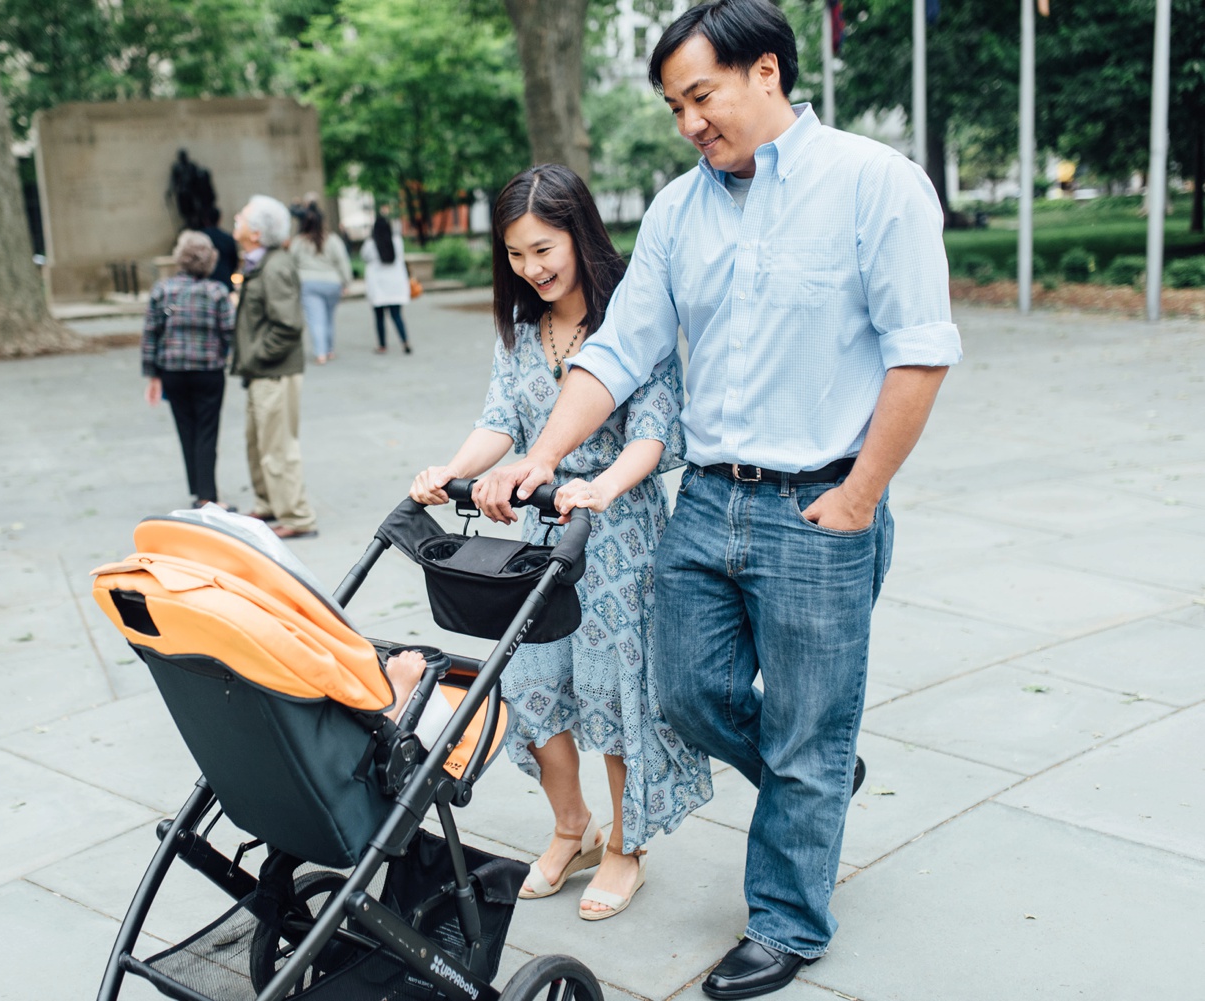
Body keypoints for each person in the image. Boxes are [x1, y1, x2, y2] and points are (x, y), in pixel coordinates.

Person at [476, 2, 963, 996]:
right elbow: (618, 349)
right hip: (705, 502)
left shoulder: (875, 185)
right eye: (674, 106)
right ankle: (814, 779)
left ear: (769, 73)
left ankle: (788, 917)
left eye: (701, 95)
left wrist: (864, 494)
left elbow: (921, 350)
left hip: (823, 503)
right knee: (687, 693)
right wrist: (542, 454)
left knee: (807, 728)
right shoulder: (677, 209)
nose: (690, 121)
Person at [409, 164, 713, 922]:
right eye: (515, 254)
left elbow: (654, 431)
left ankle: (624, 845)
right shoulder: (520, 328)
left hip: (618, 531)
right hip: (542, 532)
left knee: (614, 693)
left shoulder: (632, 317)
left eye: (543, 248)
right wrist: (453, 468)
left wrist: (603, 485)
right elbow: (500, 420)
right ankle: (572, 825)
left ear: (579, 232)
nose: (532, 268)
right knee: (536, 686)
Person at [231, 195, 319, 540]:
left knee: (278, 447)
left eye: (242, 216)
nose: (235, 218)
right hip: (263, 371)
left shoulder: (275, 265)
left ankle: (296, 517)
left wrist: (254, 356)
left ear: (255, 232)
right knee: (258, 444)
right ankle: (268, 503)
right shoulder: (260, 261)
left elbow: (287, 326)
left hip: (274, 371)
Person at [142, 231, 235, 509]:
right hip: (208, 370)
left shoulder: (163, 290)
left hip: (173, 370)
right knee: (207, 430)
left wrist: (153, 375)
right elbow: (229, 332)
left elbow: (150, 334)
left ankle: (197, 487)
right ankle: (207, 495)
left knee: (186, 428)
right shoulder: (217, 292)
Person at [289, 206, 353, 365]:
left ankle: (320, 353)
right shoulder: (333, 240)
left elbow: (290, 264)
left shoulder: (298, 242)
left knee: (316, 319)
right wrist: (346, 282)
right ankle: (329, 350)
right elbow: (343, 262)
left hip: (308, 284)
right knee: (329, 318)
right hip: (332, 283)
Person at [361, 215, 412, 354]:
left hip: (378, 286)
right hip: (395, 285)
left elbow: (364, 257)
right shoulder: (397, 241)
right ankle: (405, 342)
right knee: (397, 316)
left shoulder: (370, 244)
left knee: (379, 318)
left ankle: (382, 345)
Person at [200, 207, 239, 287]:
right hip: (225, 281)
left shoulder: (198, 238)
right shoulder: (228, 238)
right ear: (219, 219)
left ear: (205, 220)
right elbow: (234, 262)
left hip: (205, 283)